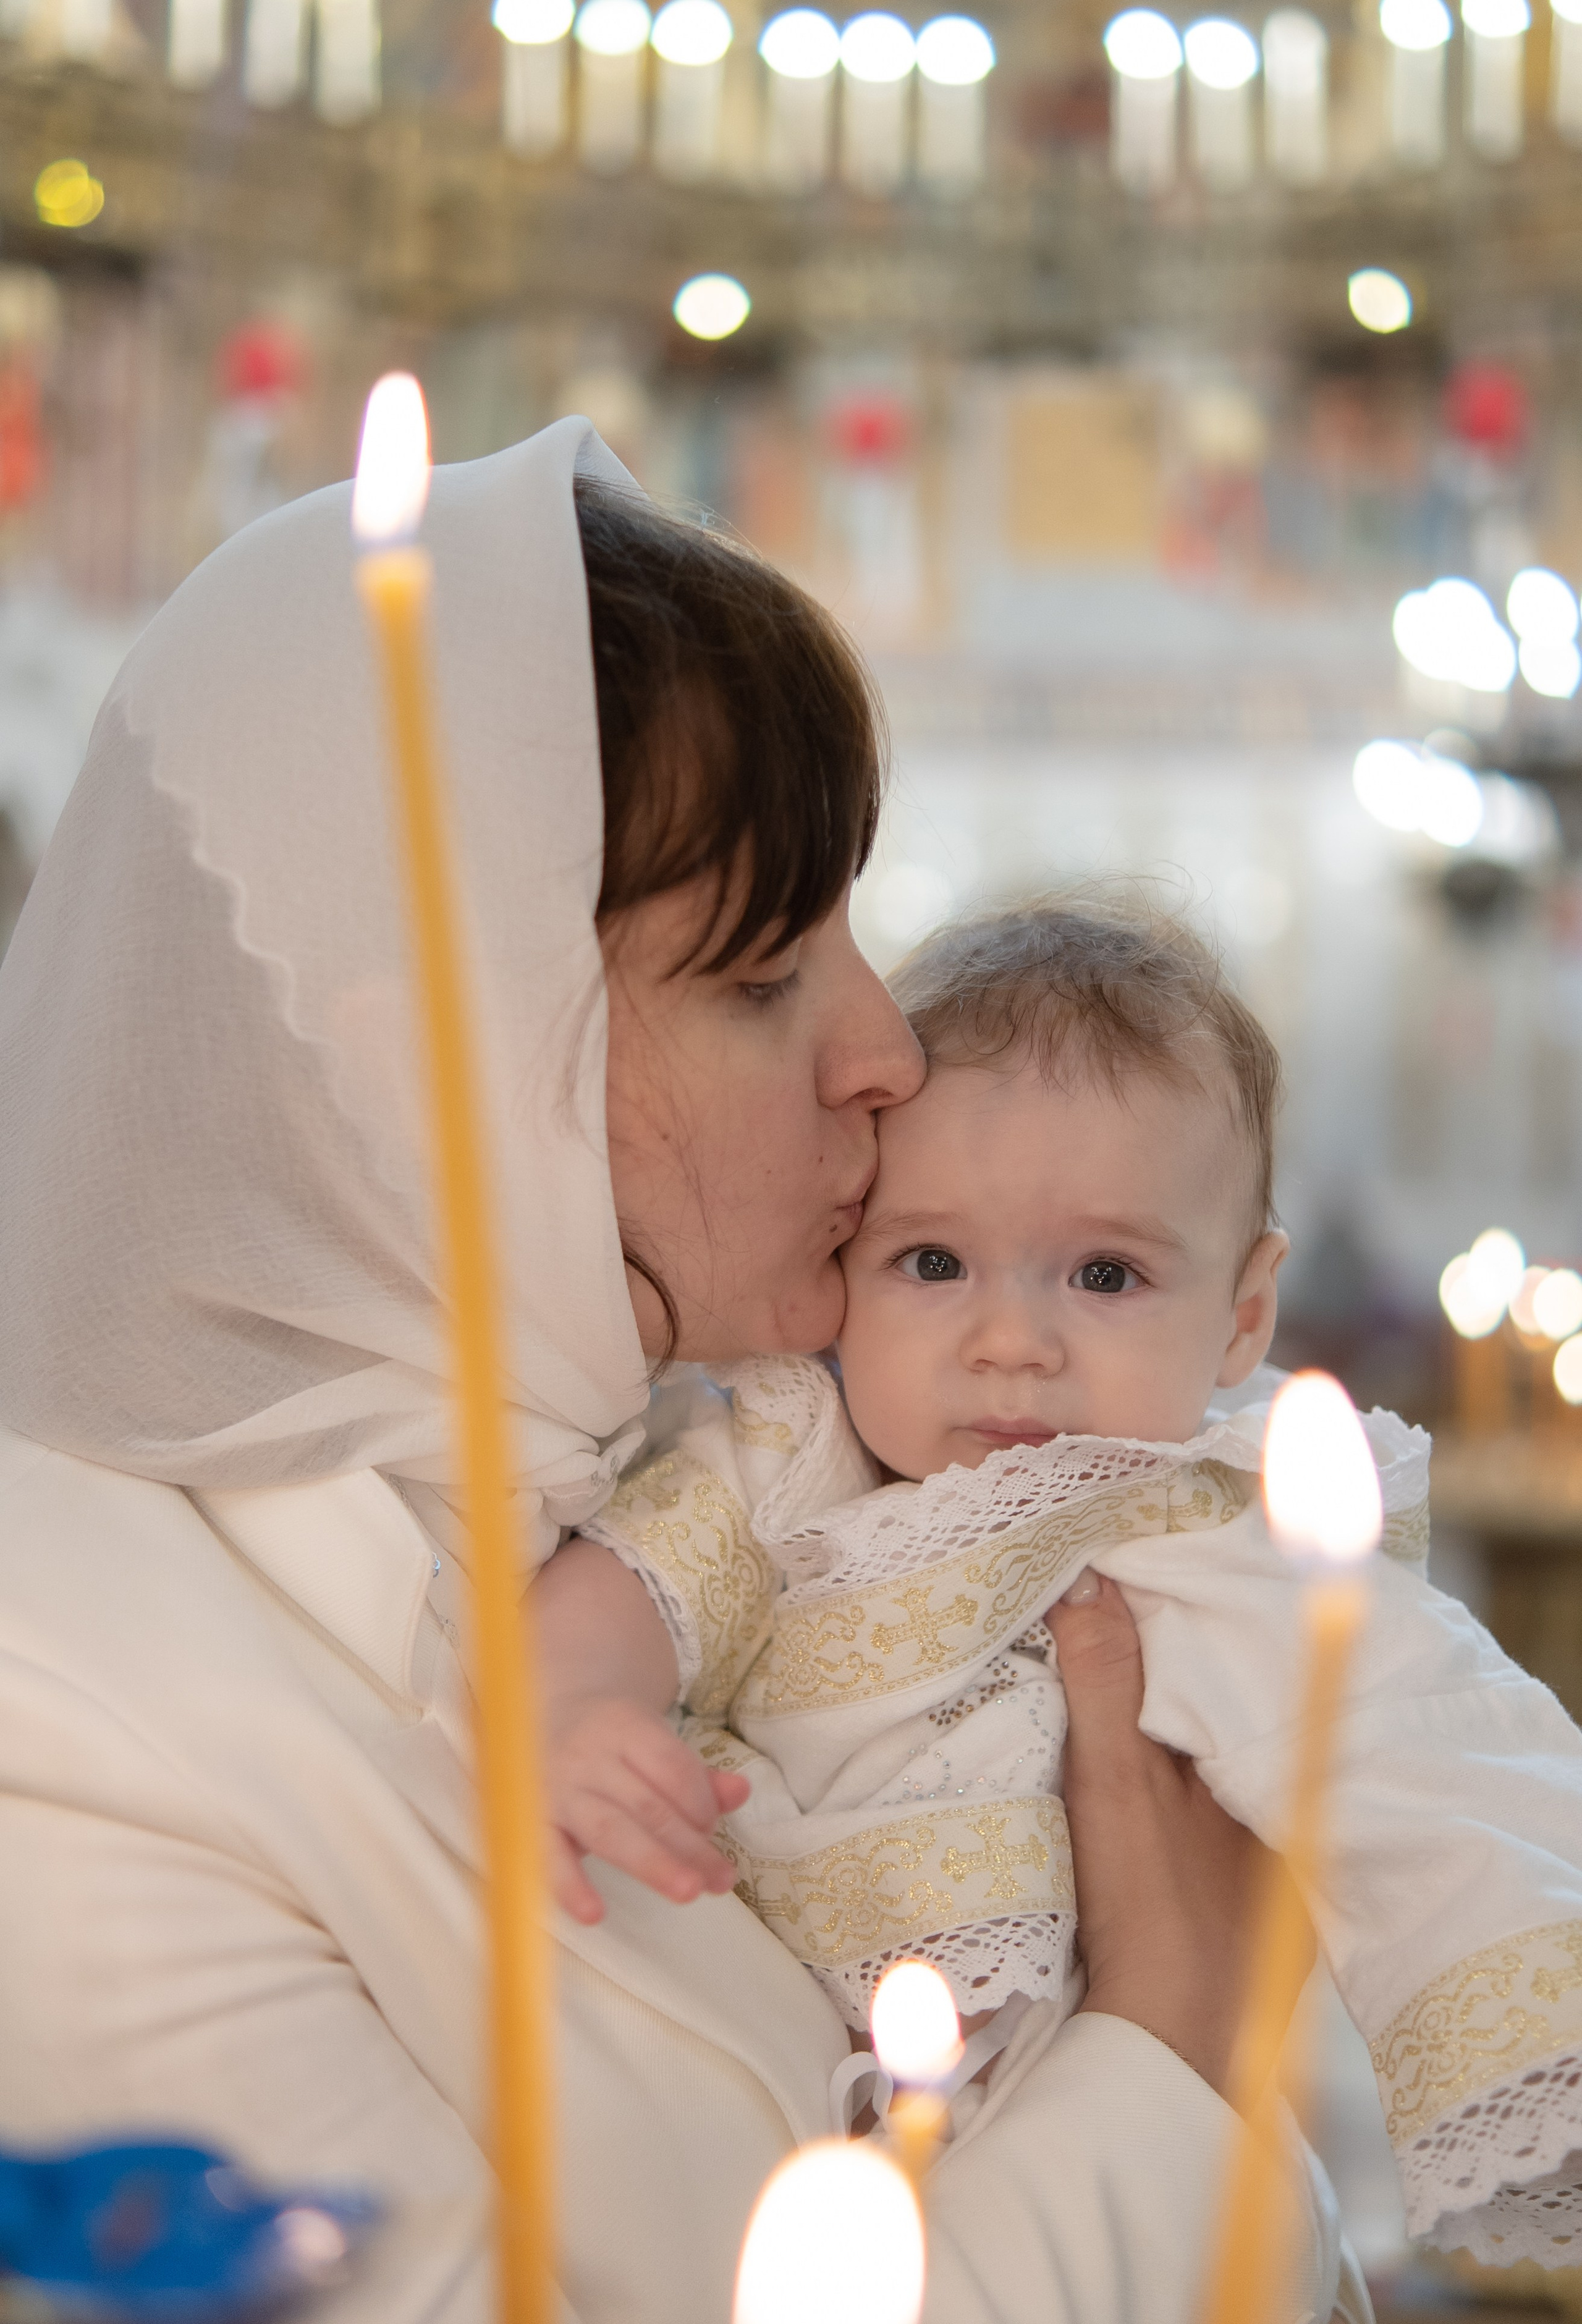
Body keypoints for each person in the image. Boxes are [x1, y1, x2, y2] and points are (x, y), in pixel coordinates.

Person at [0, 423, 1353, 2323]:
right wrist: (1180, 2044)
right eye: (761, 973)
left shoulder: (751, 1467)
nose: (889, 1052)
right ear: (448, 1063)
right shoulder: (61, 1735)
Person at [548, 899, 1582, 2269]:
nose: (1012, 1341)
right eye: (932, 1262)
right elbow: (632, 1587)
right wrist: (576, 1711)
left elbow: (1433, 1744)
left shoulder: (1217, 1512)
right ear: (842, 1256)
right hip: (811, 2076)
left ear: (1242, 1315)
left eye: (1104, 1274)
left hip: (1142, 2106)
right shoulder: (790, 1452)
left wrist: (1531, 2021)